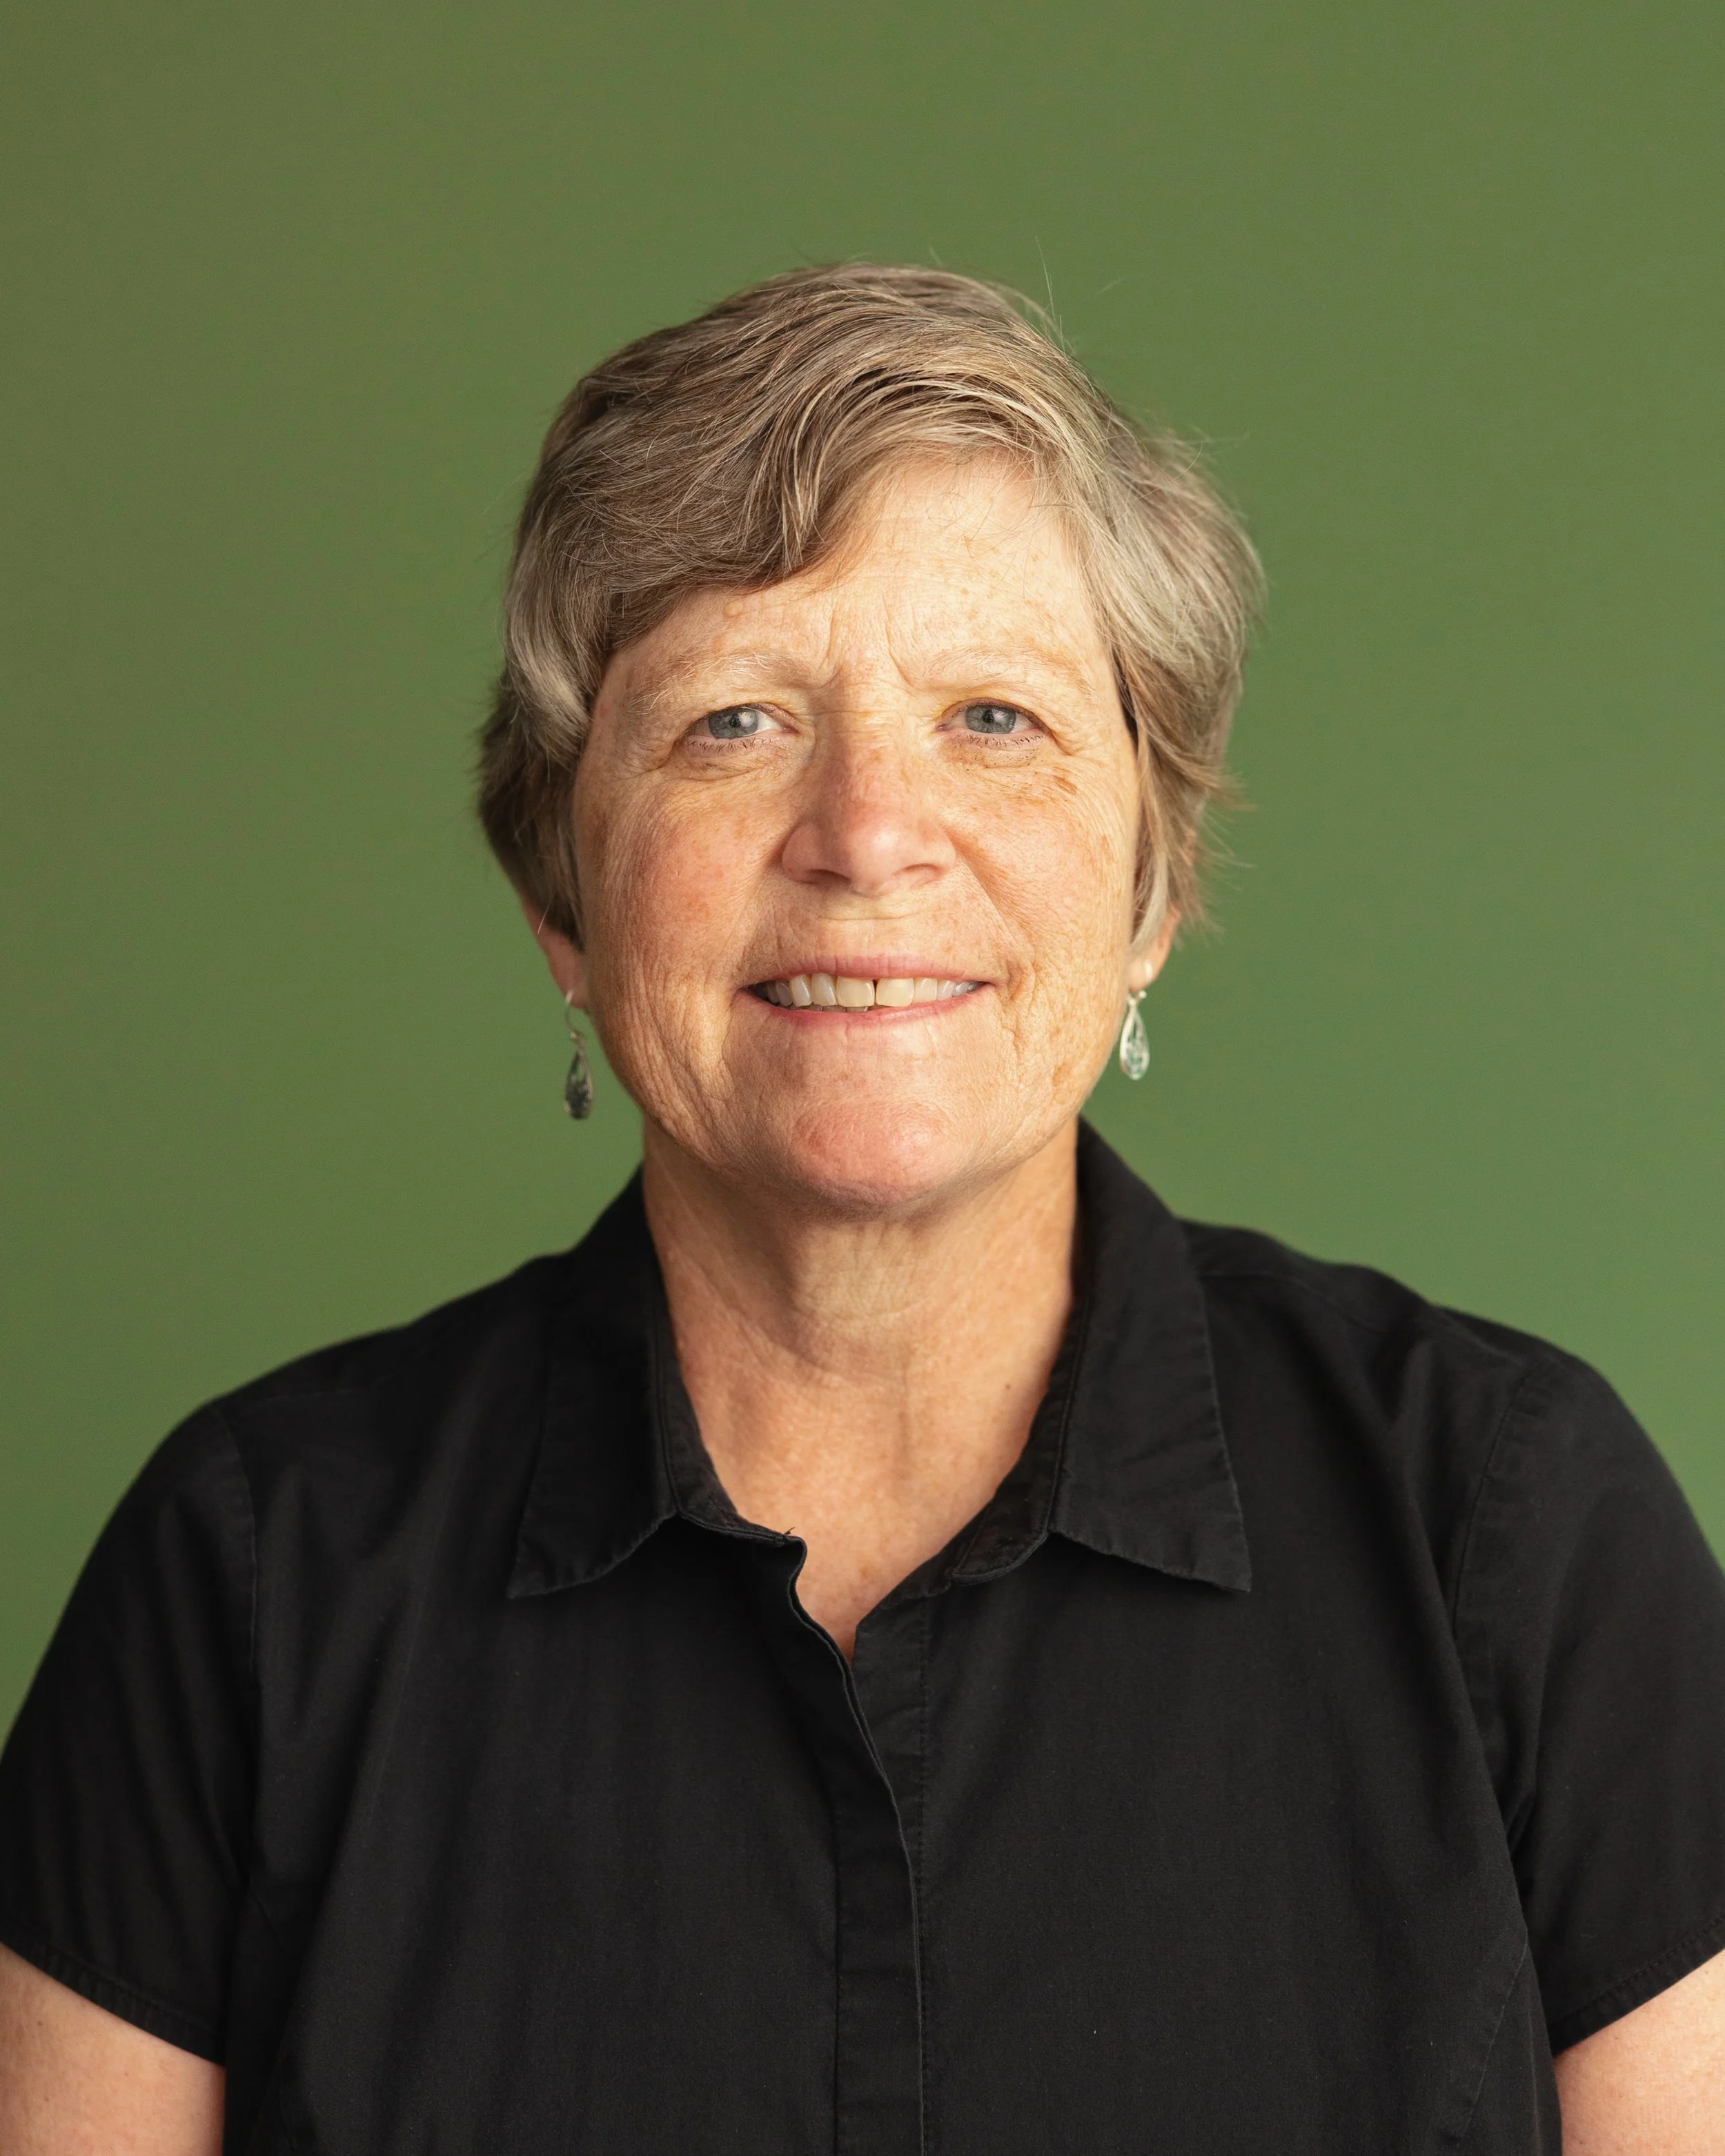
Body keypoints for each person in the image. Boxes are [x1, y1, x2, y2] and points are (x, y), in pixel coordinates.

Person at [1, 265, 1722, 2155]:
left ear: (1151, 891)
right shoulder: (247, 1580)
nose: (867, 834)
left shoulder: (1517, 1532)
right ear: (560, 899)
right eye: (734, 721)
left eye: (993, 716)